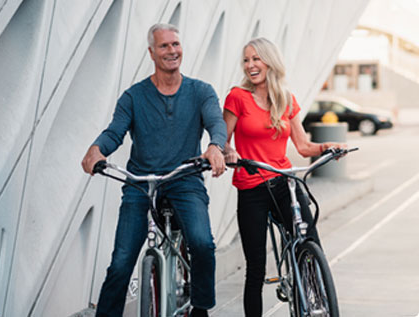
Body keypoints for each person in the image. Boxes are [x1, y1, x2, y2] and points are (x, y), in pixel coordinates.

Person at [81, 23, 227, 317]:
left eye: (175, 44)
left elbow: (216, 123)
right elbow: (114, 132)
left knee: (202, 243)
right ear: (151, 52)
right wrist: (96, 150)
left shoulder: (201, 91)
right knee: (122, 260)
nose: (172, 51)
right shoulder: (133, 97)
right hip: (141, 184)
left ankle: (200, 307)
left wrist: (215, 146)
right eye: (164, 46)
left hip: (184, 181)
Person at [222, 37, 345, 317]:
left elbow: (303, 147)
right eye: (246, 60)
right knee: (255, 267)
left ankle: (314, 299)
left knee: (309, 240)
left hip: (283, 183)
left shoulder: (286, 99)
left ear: (270, 62)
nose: (251, 65)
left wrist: (328, 147)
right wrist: (228, 152)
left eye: (256, 59)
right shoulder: (237, 97)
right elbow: (222, 140)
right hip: (251, 186)